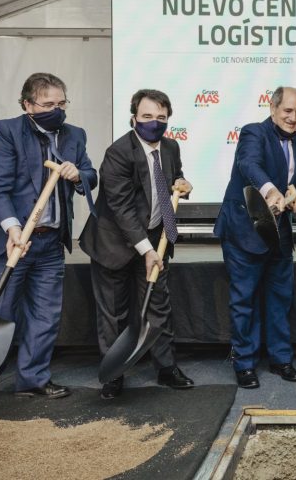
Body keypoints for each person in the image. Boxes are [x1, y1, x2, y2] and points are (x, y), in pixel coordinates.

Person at [0, 72, 97, 405]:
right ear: (28, 105)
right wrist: (12, 228)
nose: (57, 109)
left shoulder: (74, 135)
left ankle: (33, 378)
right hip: (7, 242)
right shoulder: (6, 132)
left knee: (45, 314)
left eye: (61, 103)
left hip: (50, 242)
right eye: (48, 104)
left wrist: (78, 174)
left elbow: (90, 175)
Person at [79, 89, 194, 399]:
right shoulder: (118, 152)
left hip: (155, 239)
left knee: (159, 307)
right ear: (133, 119)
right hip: (113, 243)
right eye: (147, 117)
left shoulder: (171, 147)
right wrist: (145, 250)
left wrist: (182, 183)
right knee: (113, 313)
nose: (154, 123)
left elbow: (172, 179)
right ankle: (113, 375)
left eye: (161, 117)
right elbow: (121, 208)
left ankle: (166, 368)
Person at [214, 87, 296, 389]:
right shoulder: (254, 133)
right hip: (245, 230)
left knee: (280, 299)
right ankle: (244, 364)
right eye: (287, 111)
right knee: (244, 300)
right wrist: (271, 190)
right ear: (273, 109)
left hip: (280, 233)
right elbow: (249, 165)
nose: (293, 118)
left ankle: (281, 360)